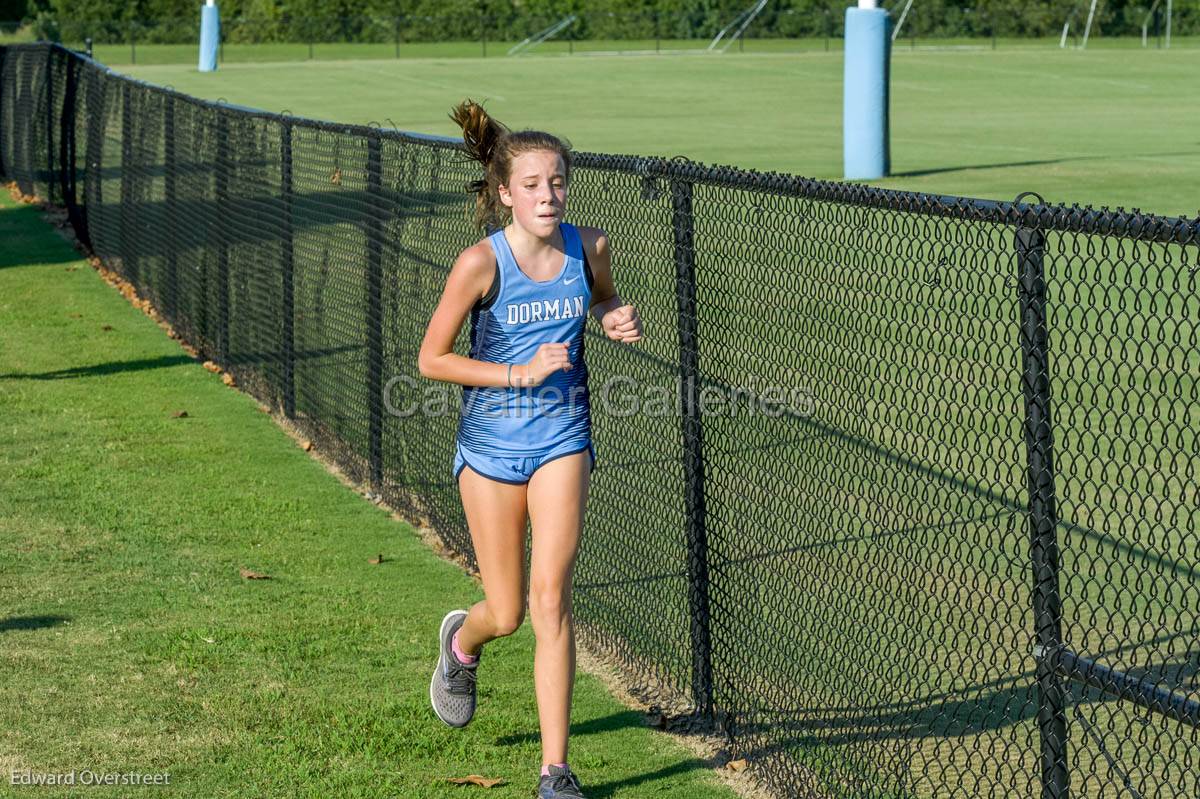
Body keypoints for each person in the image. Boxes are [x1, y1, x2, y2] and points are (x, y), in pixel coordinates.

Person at [418, 99, 643, 799]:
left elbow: (603, 297)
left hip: (561, 438)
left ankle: (556, 772)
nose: (550, 196)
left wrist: (612, 316)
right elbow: (432, 358)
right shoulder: (480, 263)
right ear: (505, 193)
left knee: (551, 602)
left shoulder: (590, 247)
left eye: (559, 182)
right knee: (507, 610)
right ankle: (463, 642)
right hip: (489, 448)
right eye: (535, 185)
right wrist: (517, 371)